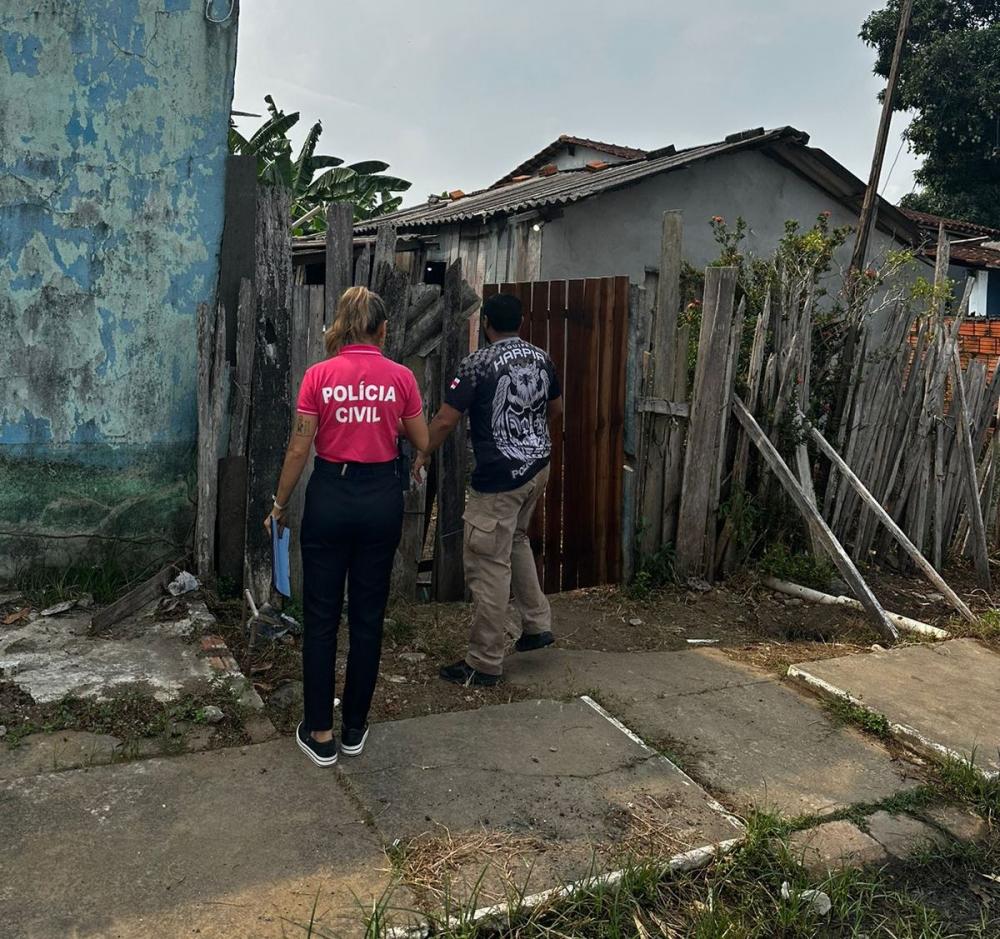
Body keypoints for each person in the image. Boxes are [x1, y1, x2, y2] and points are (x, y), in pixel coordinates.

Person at [266, 286, 428, 767]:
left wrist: (279, 505)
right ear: (381, 329)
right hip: (380, 499)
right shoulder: (400, 377)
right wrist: (385, 419)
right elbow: (420, 437)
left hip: (330, 497)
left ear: (341, 325)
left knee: (320, 616)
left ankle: (319, 732)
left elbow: (299, 449)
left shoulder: (319, 376)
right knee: (367, 614)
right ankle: (354, 727)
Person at [413, 292, 563, 686]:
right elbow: (556, 408)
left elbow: (446, 419)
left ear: (487, 326)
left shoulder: (479, 363)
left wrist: (423, 453)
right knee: (515, 539)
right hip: (537, 469)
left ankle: (483, 661)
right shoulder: (541, 357)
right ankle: (536, 624)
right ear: (521, 321)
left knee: (487, 564)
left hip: (500, 480)